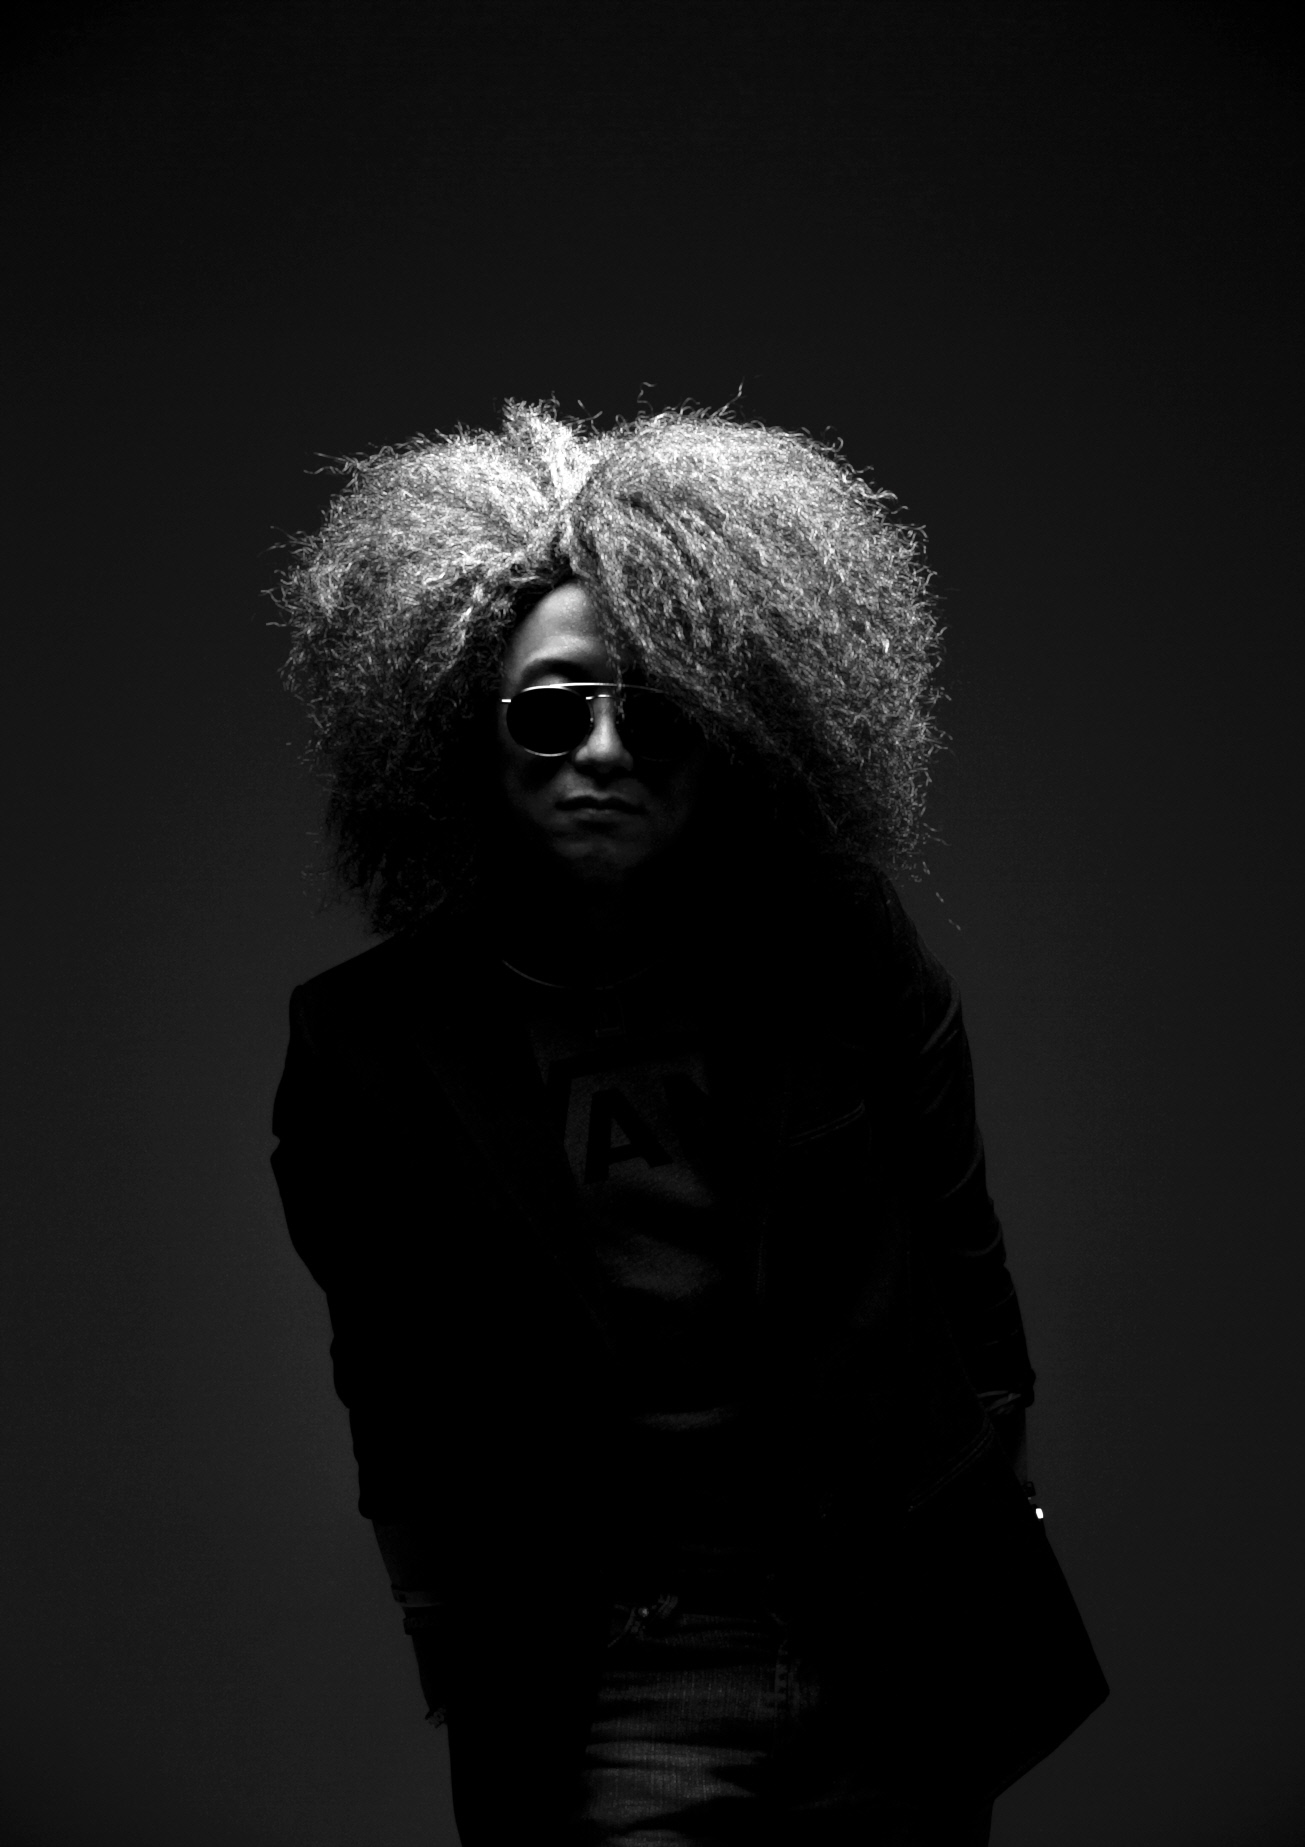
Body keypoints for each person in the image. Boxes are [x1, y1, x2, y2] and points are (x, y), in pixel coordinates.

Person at [269, 402, 1108, 1844]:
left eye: (655, 714)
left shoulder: (843, 956)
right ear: (463, 733)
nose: (601, 750)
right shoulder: (373, 1047)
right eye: (550, 712)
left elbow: (964, 1264)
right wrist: (454, 1635)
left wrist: (986, 1510)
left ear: (732, 739)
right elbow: (389, 1386)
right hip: (615, 1669)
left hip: (887, 1636)